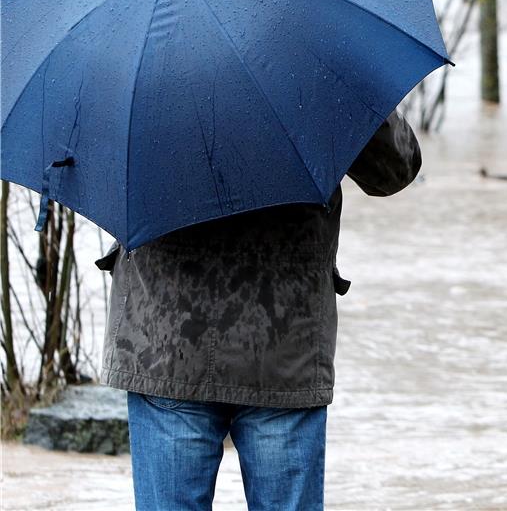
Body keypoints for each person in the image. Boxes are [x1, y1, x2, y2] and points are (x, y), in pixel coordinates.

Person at [97, 112, 421, 511]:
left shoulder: (134, 66)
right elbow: (395, 168)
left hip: (164, 337)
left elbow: (87, 165)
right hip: (283, 337)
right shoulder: (312, 61)